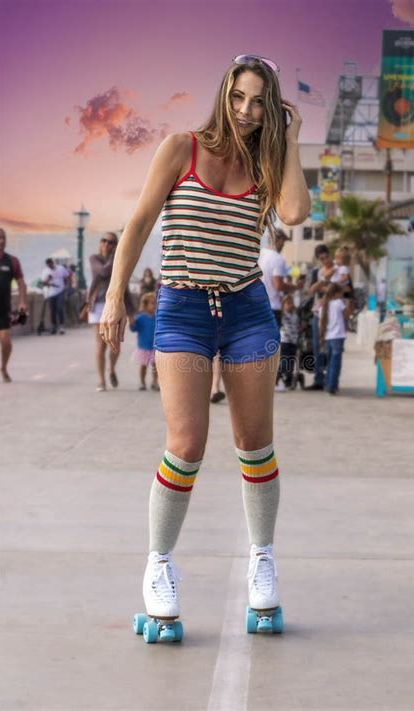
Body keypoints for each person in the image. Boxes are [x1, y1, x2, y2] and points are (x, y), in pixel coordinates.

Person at [99, 54, 310, 636]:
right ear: (224, 93)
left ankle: (262, 561)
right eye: (239, 97)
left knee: (254, 441)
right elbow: (141, 222)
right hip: (184, 310)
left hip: (246, 310)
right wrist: (115, 295)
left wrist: (288, 140)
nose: (247, 111)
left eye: (260, 102)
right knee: (187, 443)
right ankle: (159, 565)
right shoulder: (180, 148)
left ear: (272, 108)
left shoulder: (265, 163)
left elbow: (294, 210)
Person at [88, 232, 135, 392]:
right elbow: (103, 272)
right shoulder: (94, 259)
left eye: (111, 242)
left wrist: (131, 312)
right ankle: (101, 380)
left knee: (115, 343)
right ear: (100, 243)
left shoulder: (119, 260)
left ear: (115, 244)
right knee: (100, 344)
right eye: (104, 240)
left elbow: (124, 286)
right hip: (98, 305)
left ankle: (112, 369)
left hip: (115, 304)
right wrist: (116, 256)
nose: (106, 244)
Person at [0, 228, 27, 382]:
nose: (1, 241)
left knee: (6, 343)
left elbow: (21, 283)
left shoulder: (12, 261)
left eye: (3, 238)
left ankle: (3, 367)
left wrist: (22, 301)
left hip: (3, 310)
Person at [305, 244, 335, 390]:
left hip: (333, 312)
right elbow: (311, 290)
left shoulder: (337, 270)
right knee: (317, 345)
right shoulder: (317, 272)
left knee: (330, 347)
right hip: (319, 311)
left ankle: (330, 378)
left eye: (326, 257)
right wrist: (323, 283)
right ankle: (318, 379)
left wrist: (322, 287)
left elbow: (339, 290)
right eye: (321, 258)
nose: (324, 260)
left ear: (329, 255)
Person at [258, 228, 299, 327]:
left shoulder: (259, 254)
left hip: (258, 306)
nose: (283, 245)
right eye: (283, 241)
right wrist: (295, 287)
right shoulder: (277, 258)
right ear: (279, 240)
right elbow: (278, 285)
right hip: (272, 308)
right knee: (272, 342)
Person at [318, 282, 352, 395]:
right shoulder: (338, 303)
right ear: (337, 293)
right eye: (341, 293)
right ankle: (332, 386)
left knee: (329, 363)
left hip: (328, 336)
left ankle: (328, 384)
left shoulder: (324, 304)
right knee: (335, 363)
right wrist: (348, 304)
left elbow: (320, 322)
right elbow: (347, 315)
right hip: (338, 336)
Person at [130, 292, 158, 391]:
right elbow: (134, 329)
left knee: (155, 367)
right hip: (144, 346)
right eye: (152, 303)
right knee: (143, 366)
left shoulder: (157, 317)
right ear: (145, 304)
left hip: (155, 347)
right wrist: (132, 323)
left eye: (155, 303)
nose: (154, 305)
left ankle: (155, 382)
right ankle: (142, 382)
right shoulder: (140, 318)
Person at [275, 294, 299, 392]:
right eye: (288, 303)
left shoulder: (295, 315)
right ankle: (279, 376)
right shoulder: (283, 315)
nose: (290, 305)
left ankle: (288, 380)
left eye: (292, 303)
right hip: (285, 341)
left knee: (291, 362)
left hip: (294, 341)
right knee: (284, 362)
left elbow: (297, 326)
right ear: (283, 305)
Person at [40, 258, 70, 335]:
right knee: (52, 310)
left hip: (60, 291)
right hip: (50, 293)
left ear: (53, 263)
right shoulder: (45, 271)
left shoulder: (61, 268)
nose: (50, 266)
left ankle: (61, 326)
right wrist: (48, 279)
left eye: (51, 265)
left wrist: (67, 286)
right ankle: (54, 326)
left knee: (60, 308)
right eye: (48, 265)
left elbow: (67, 277)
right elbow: (43, 283)